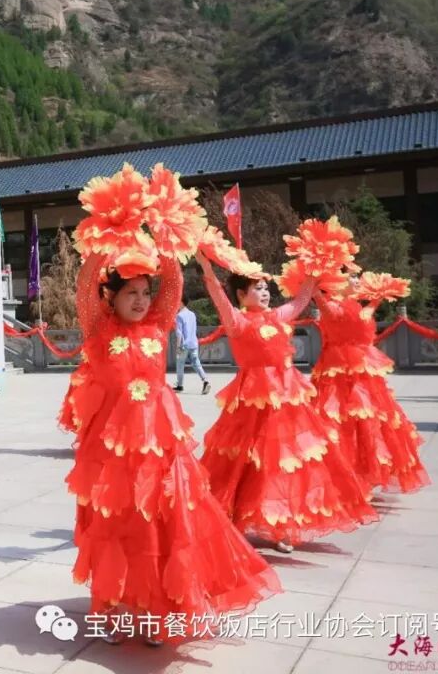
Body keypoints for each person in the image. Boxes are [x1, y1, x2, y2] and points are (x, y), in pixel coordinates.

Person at [59, 255, 281, 647]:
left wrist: (165, 243)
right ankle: (113, 609)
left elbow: (174, 283)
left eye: (146, 293)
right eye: (131, 293)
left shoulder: (159, 325)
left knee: (160, 525)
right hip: (110, 449)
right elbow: (84, 285)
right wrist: (103, 247)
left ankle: (156, 610)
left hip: (159, 443)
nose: (141, 301)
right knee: (115, 526)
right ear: (111, 297)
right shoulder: (98, 327)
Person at [195, 254, 379, 553]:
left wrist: (313, 273)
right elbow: (219, 298)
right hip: (253, 402)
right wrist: (207, 269)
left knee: (284, 461)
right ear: (241, 295)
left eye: (266, 288)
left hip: (287, 400)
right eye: (257, 288)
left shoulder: (278, 317)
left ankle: (280, 524)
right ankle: (235, 516)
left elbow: (300, 300)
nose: (265, 292)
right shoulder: (237, 321)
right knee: (246, 462)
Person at [312, 278, 430, 493]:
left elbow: (367, 313)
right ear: (337, 282)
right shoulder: (331, 306)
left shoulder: (358, 306)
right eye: (350, 277)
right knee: (341, 421)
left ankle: (365, 474)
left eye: (357, 277)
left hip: (365, 372)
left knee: (371, 422)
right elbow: (324, 306)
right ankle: (344, 476)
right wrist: (315, 289)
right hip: (338, 372)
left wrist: (380, 295)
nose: (357, 280)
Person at [173, 295, 210, 394]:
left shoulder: (179, 316)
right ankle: (205, 381)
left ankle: (180, 386)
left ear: (181, 302)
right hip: (193, 343)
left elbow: (179, 333)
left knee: (180, 364)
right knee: (196, 364)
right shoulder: (192, 314)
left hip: (183, 345)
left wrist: (178, 347)